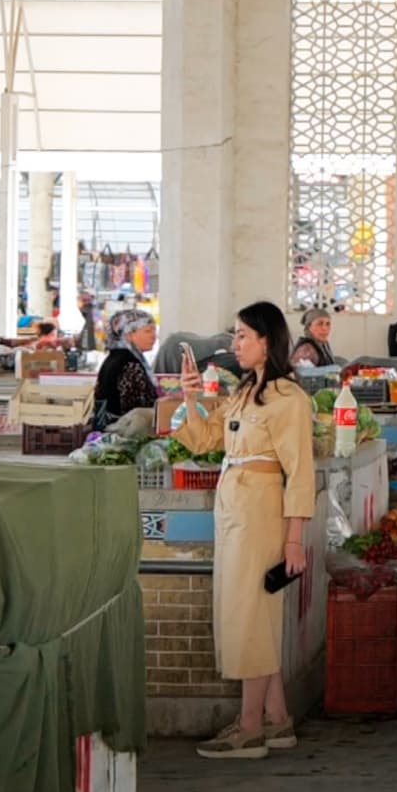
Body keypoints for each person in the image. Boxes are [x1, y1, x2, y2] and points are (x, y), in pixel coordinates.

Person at [171, 302, 315, 758]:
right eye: (235, 335)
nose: (235, 345)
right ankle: (277, 719)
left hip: (261, 513)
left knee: (250, 615)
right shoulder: (243, 391)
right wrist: (191, 397)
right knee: (252, 614)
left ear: (266, 342)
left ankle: (249, 726)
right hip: (235, 508)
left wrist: (294, 538)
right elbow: (206, 440)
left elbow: (300, 472)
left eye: (242, 336)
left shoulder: (288, 400)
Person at [92, 308, 159, 429]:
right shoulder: (130, 364)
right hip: (124, 434)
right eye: (148, 331)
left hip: (110, 430)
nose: (154, 336)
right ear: (129, 335)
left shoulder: (114, 357)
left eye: (154, 330)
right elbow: (136, 413)